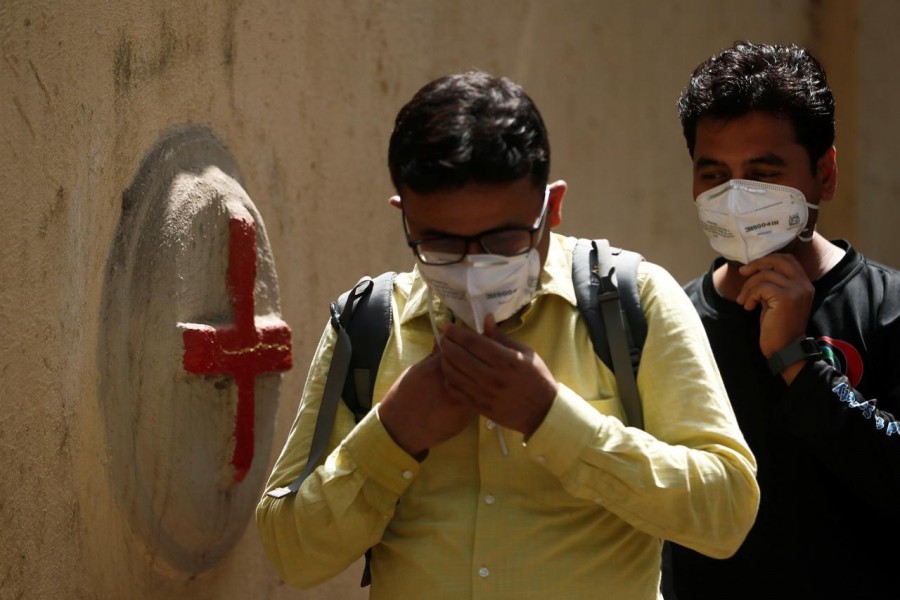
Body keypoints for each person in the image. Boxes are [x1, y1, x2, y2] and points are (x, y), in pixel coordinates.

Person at [256, 70, 759, 599]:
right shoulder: (368, 323)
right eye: (441, 243)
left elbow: (725, 513)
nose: (474, 267)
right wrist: (393, 434)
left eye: (503, 239)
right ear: (404, 218)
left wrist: (552, 418)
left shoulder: (634, 302)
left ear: (552, 208)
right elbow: (291, 553)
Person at [668, 41, 900, 599]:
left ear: (825, 173)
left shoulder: (888, 308)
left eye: (763, 174)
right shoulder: (673, 322)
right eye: (715, 175)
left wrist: (798, 360)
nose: (736, 200)